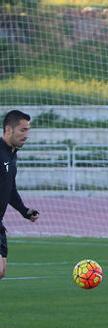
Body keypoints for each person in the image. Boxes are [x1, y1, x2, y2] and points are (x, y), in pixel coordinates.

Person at [0, 110, 39, 280]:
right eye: (22, 130)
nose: (26, 135)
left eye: (28, 130)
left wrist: (24, 211)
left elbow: (10, 189)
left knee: (1, 271)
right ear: (8, 130)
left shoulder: (12, 154)